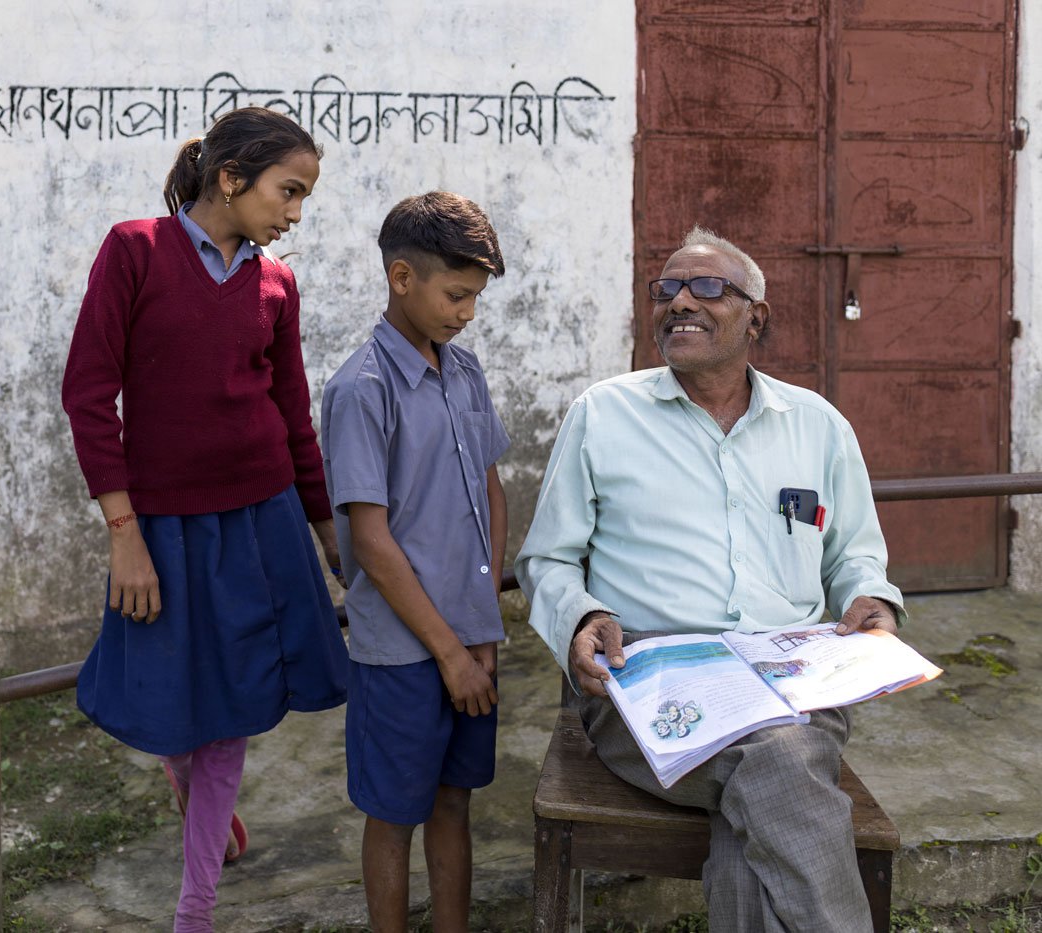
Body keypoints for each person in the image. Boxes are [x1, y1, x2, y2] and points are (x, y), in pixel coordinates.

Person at [517, 225, 905, 933]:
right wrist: (578, 617)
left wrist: (870, 600)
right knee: (785, 760)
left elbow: (855, 556)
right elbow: (546, 559)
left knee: (767, 778)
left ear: (757, 316)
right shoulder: (603, 415)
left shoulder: (817, 426)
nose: (680, 302)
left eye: (708, 287)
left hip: (792, 676)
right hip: (648, 681)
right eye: (666, 289)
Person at [61, 106, 349, 932]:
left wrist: (324, 531)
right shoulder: (135, 251)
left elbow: (292, 413)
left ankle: (196, 909)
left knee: (230, 704)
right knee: (168, 697)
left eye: (303, 197)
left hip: (261, 522)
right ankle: (194, 790)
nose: (295, 213)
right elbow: (87, 394)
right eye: (287, 192)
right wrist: (125, 536)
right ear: (231, 178)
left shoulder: (276, 282)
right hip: (161, 526)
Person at [320, 191, 509, 932]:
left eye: (476, 298)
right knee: (394, 812)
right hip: (401, 653)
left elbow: (493, 495)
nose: (467, 312)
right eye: (456, 294)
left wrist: (484, 619)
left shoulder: (465, 374)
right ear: (402, 277)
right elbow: (370, 539)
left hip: (471, 638)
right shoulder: (361, 390)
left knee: (454, 798)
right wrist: (448, 652)